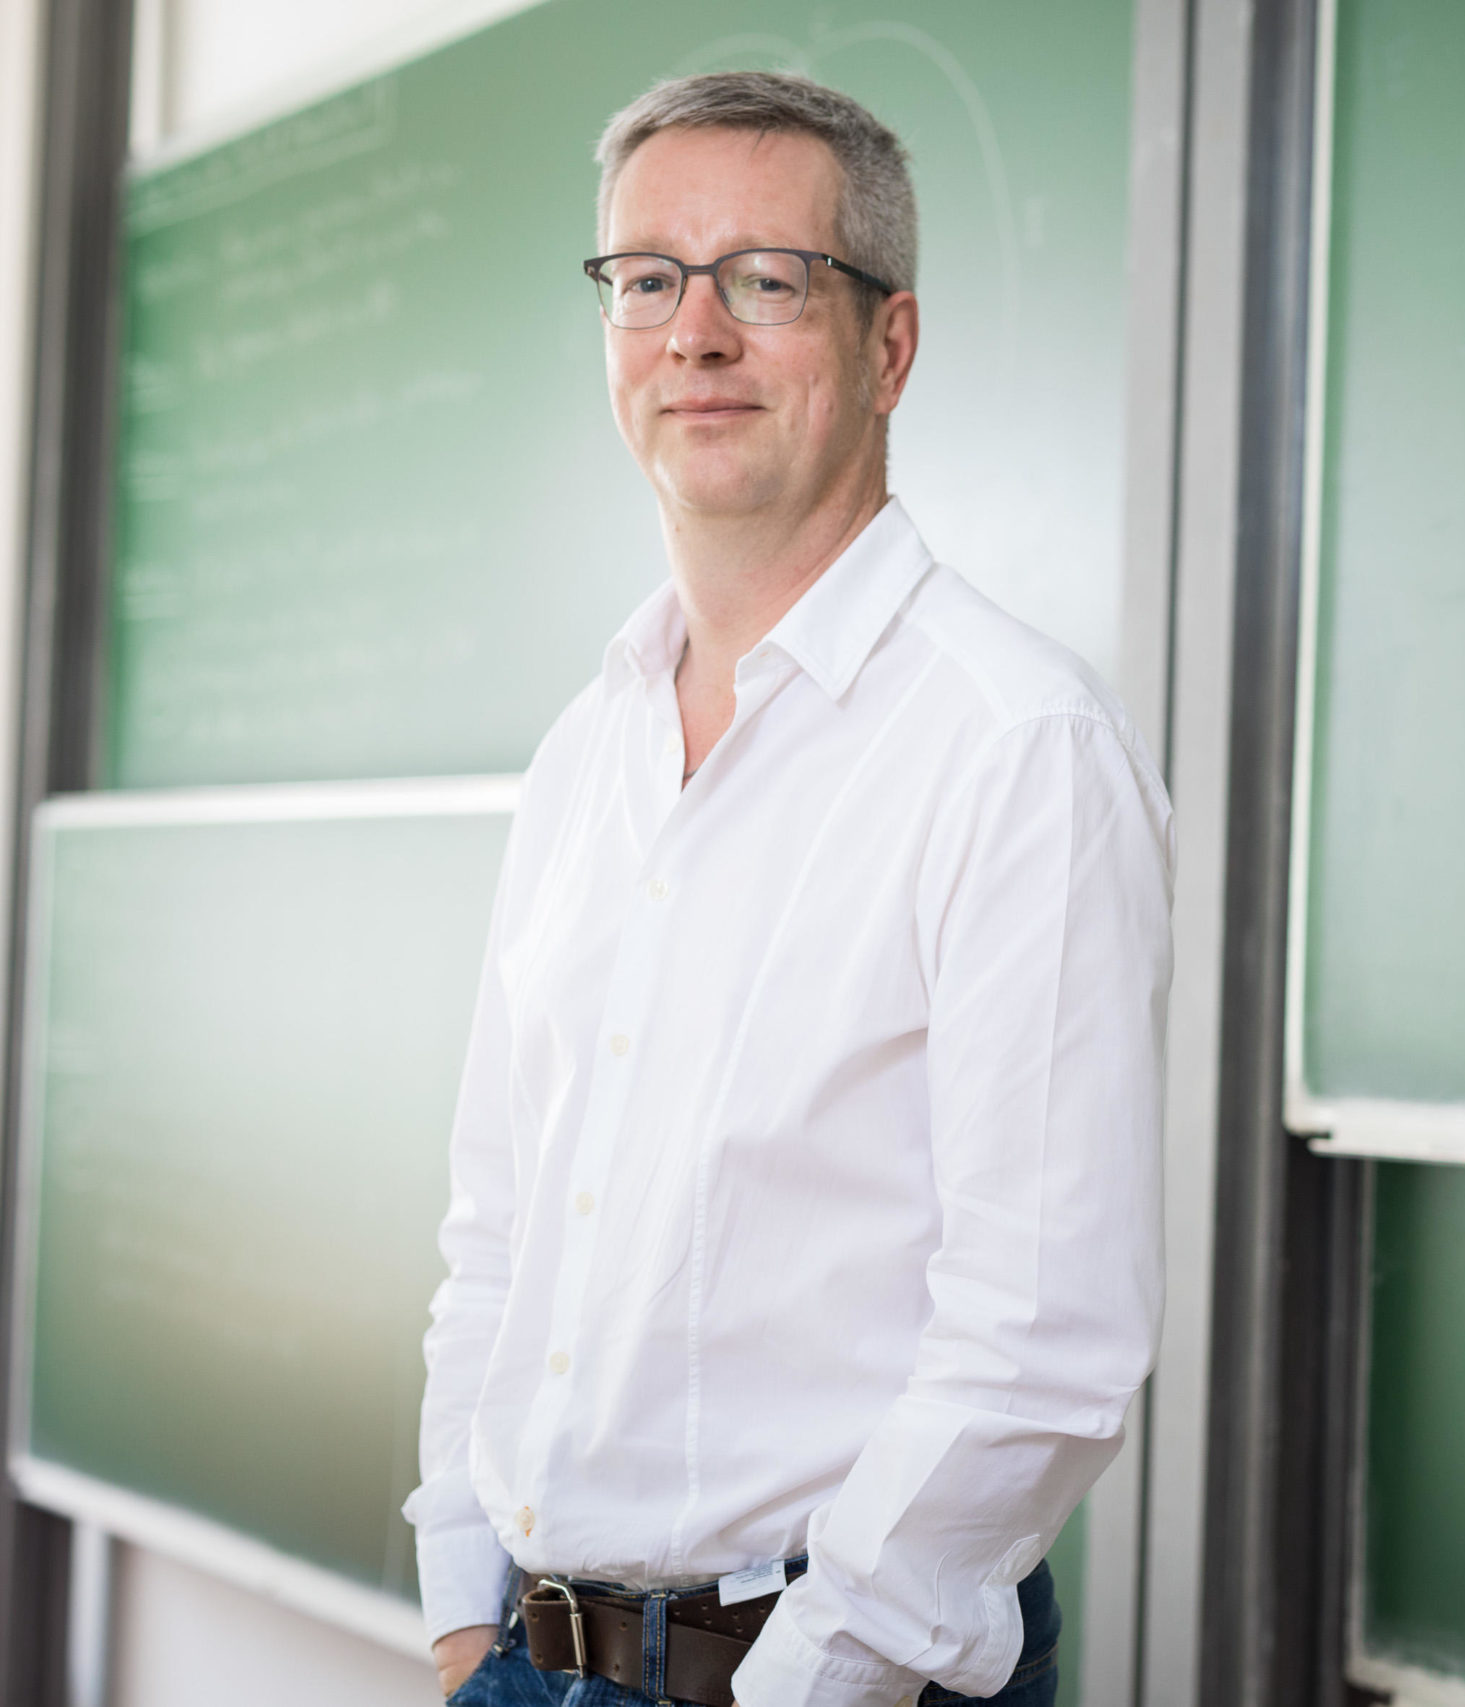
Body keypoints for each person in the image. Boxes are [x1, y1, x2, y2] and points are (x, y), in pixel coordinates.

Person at [403, 71, 1171, 1707]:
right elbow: (500, 1234)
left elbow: (1040, 1342)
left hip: (818, 1674)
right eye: (648, 281)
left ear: (888, 347)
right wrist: (468, 1611)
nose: (695, 334)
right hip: (525, 1663)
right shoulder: (582, 753)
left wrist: (803, 1683)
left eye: (767, 278)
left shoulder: (1016, 747)